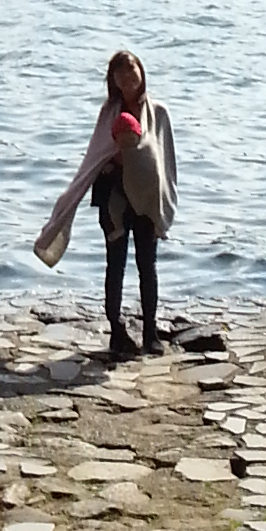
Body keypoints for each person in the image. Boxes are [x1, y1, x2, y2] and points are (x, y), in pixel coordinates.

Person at [33, 47, 177, 357]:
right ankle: (116, 330)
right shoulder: (107, 114)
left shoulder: (159, 114)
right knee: (115, 264)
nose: (127, 77)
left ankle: (150, 333)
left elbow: (165, 164)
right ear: (113, 79)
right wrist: (117, 162)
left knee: (147, 265)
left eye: (132, 70)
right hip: (114, 199)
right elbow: (95, 159)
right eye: (120, 72)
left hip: (148, 201)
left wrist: (158, 194)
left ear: (142, 73)